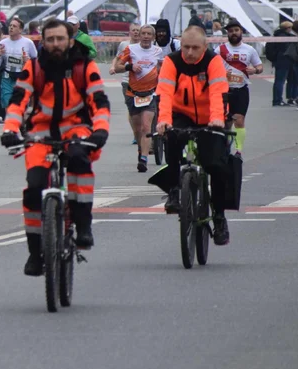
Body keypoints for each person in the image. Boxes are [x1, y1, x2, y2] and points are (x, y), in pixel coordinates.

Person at [1, 18, 110, 276]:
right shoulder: (35, 67)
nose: (55, 44)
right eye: (50, 39)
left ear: (70, 40)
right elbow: (18, 100)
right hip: (41, 133)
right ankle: (34, 252)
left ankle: (83, 225)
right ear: (43, 42)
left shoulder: (85, 66)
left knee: (79, 162)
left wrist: (101, 129)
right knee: (33, 187)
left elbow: (99, 100)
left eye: (60, 39)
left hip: (76, 129)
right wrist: (10, 129)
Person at [153, 26, 233, 245]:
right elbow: (165, 93)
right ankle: (174, 189)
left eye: (195, 48)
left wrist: (217, 118)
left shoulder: (212, 61)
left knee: (215, 166)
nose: (189, 52)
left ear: (205, 47)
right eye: (186, 47)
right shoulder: (172, 61)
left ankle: (219, 218)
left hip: (211, 117)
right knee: (170, 139)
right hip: (181, 114)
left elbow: (218, 92)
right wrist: (164, 120)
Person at [111, 25, 165, 172]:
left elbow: (162, 68)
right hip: (133, 94)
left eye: (149, 34)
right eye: (144, 34)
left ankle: (144, 159)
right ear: (139, 36)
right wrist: (130, 67)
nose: (146, 36)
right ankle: (141, 150)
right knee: (137, 129)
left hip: (151, 94)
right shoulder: (131, 49)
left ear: (153, 37)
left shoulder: (158, 51)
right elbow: (118, 67)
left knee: (146, 127)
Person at [218, 19, 262, 153]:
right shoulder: (220, 49)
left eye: (236, 30)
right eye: (231, 31)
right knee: (225, 123)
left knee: (239, 120)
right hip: (224, 91)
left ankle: (238, 151)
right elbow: (211, 65)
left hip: (241, 90)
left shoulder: (249, 49)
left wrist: (255, 70)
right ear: (227, 33)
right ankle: (224, 149)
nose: (234, 33)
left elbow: (259, 66)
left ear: (241, 31)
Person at [0, 17, 38, 117]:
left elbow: (36, 62)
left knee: (21, 104)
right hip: (7, 77)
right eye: (10, 26)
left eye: (14, 26)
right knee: (8, 103)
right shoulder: (3, 43)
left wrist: (28, 61)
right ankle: (11, 127)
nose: (11, 28)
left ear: (20, 30)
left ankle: (21, 126)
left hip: (21, 77)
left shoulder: (28, 43)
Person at [267, 20, 298, 106]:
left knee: (280, 80)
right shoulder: (287, 37)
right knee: (283, 81)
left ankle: (278, 99)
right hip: (286, 61)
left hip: (278, 61)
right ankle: (282, 99)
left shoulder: (276, 36)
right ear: (287, 28)